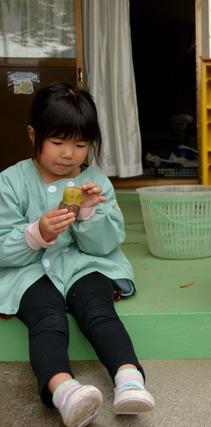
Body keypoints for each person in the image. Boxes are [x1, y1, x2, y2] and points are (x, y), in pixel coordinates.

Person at [0, 83, 155, 427]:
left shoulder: (96, 182)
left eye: (81, 145)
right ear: (33, 135)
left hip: (84, 265)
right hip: (28, 271)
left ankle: (129, 380)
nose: (69, 154)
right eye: (57, 142)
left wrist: (88, 215)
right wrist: (37, 232)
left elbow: (105, 245)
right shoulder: (10, 182)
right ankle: (64, 390)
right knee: (47, 319)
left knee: (99, 311)